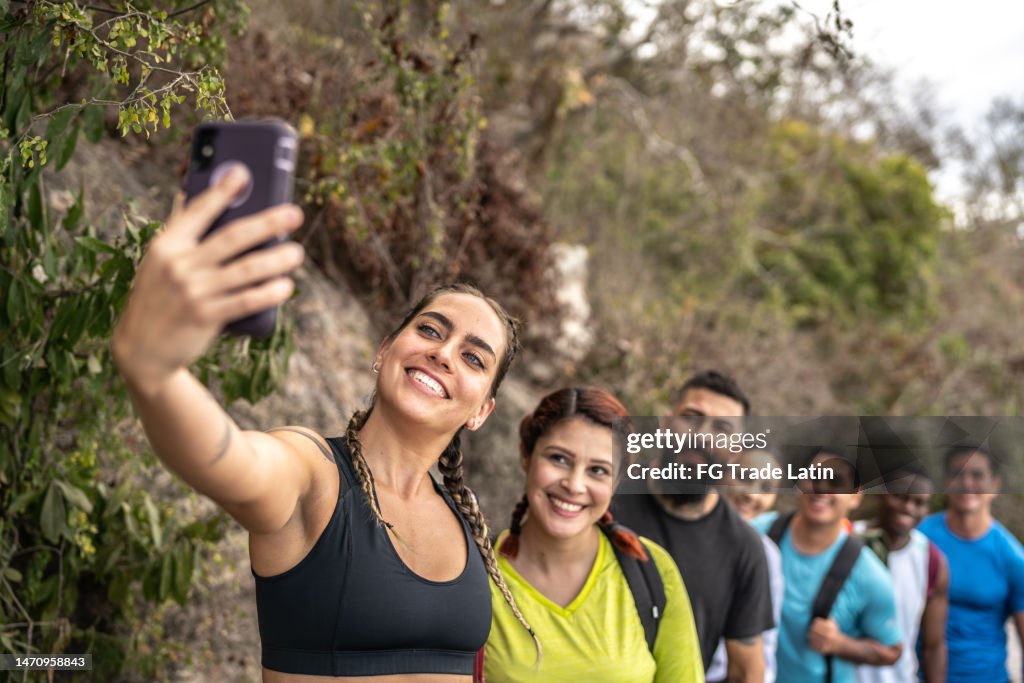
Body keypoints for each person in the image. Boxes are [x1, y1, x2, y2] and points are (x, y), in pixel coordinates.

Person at [111, 167, 536, 682]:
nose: (443, 353)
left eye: (474, 358)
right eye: (429, 329)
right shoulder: (313, 473)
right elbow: (228, 461)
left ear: (482, 411)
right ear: (385, 351)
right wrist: (155, 372)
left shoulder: (463, 520)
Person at [484, 387, 704, 683]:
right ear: (526, 453)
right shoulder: (475, 573)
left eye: (598, 470)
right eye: (559, 459)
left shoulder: (651, 569)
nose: (574, 485)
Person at [613, 370, 773, 683]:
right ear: (666, 424)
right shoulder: (606, 496)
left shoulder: (745, 549)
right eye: (692, 416)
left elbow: (746, 672)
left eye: (723, 428)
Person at [753, 450, 902, 683]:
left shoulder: (869, 575)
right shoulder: (756, 534)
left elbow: (892, 651)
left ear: (855, 496)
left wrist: (841, 644)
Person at [918, 445, 1024, 683]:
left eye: (977, 475)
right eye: (957, 474)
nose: (966, 483)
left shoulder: (1013, 558)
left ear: (995, 485)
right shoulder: (919, 538)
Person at [853, 467, 948, 683]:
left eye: (919, 502)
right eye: (899, 497)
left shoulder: (931, 560)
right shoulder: (847, 540)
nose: (908, 508)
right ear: (880, 495)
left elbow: (933, 645)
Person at [711, 449, 785, 683]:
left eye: (766, 488)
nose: (752, 495)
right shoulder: (686, 530)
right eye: (744, 477)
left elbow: (766, 638)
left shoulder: (767, 554)